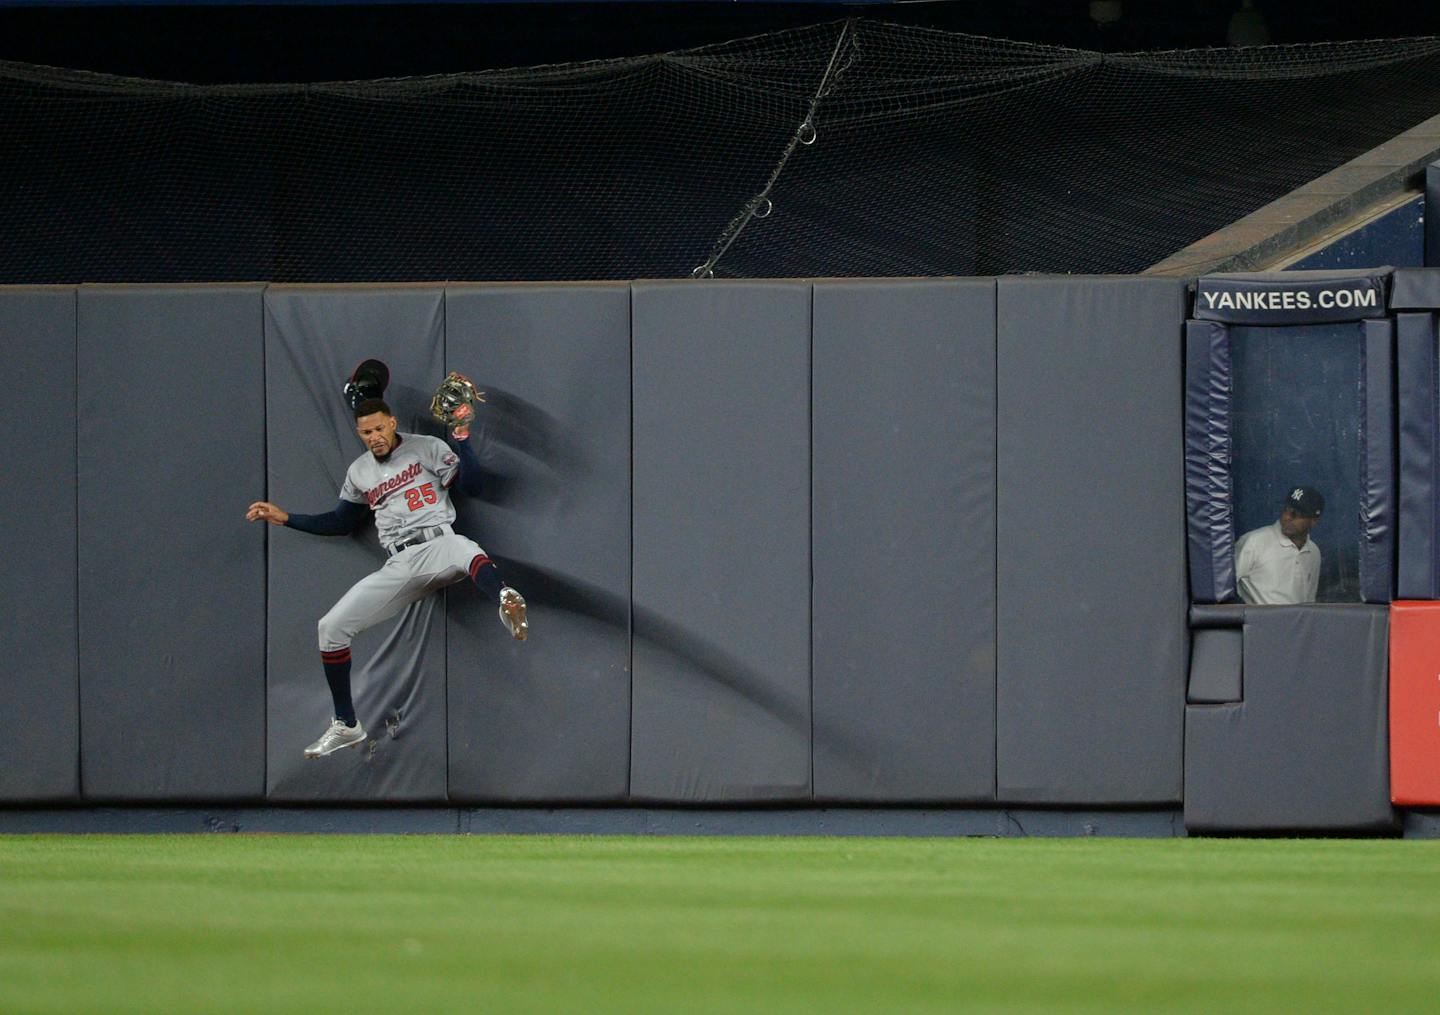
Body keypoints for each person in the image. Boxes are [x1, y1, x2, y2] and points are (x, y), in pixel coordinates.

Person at [246, 394, 527, 759]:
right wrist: (286, 518)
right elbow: (341, 522)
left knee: (464, 548)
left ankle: (505, 598)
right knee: (330, 628)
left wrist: (462, 436)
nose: (374, 436)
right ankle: (346, 724)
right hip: (399, 563)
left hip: (439, 542)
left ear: (392, 423)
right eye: (366, 432)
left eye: (379, 428)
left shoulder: (426, 447)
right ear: (360, 433)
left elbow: (473, 487)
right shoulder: (360, 471)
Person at [1234, 486, 1324, 605]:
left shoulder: (1313, 552)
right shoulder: (1254, 542)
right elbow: (1222, 590)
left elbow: (1309, 602)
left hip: (1298, 622)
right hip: (1259, 622)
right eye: (1286, 509)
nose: (1287, 517)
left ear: (1314, 520)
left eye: (1295, 514)